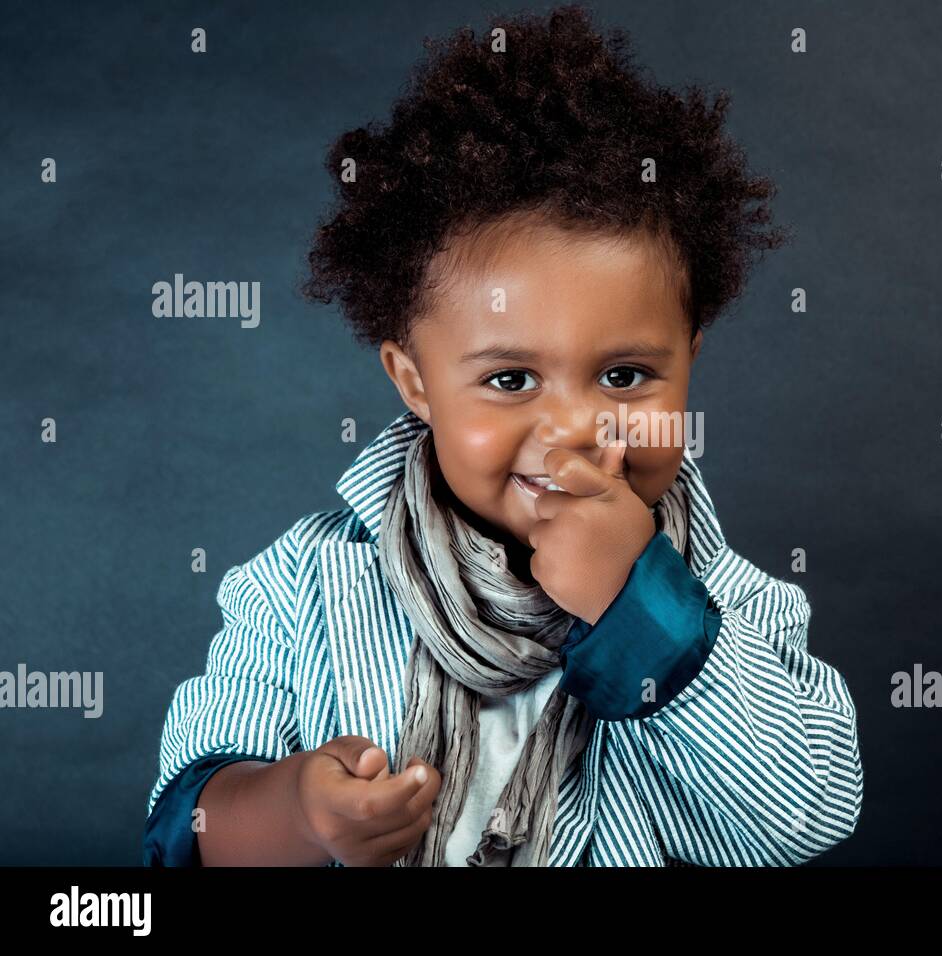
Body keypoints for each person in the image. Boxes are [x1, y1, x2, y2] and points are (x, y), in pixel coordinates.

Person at [143, 3, 861, 867]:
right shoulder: (302, 589)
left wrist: (646, 613)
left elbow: (805, 819)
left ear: (691, 359)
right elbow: (182, 833)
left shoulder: (735, 606)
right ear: (414, 381)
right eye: (510, 380)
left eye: (626, 376)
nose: (570, 433)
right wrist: (298, 812)